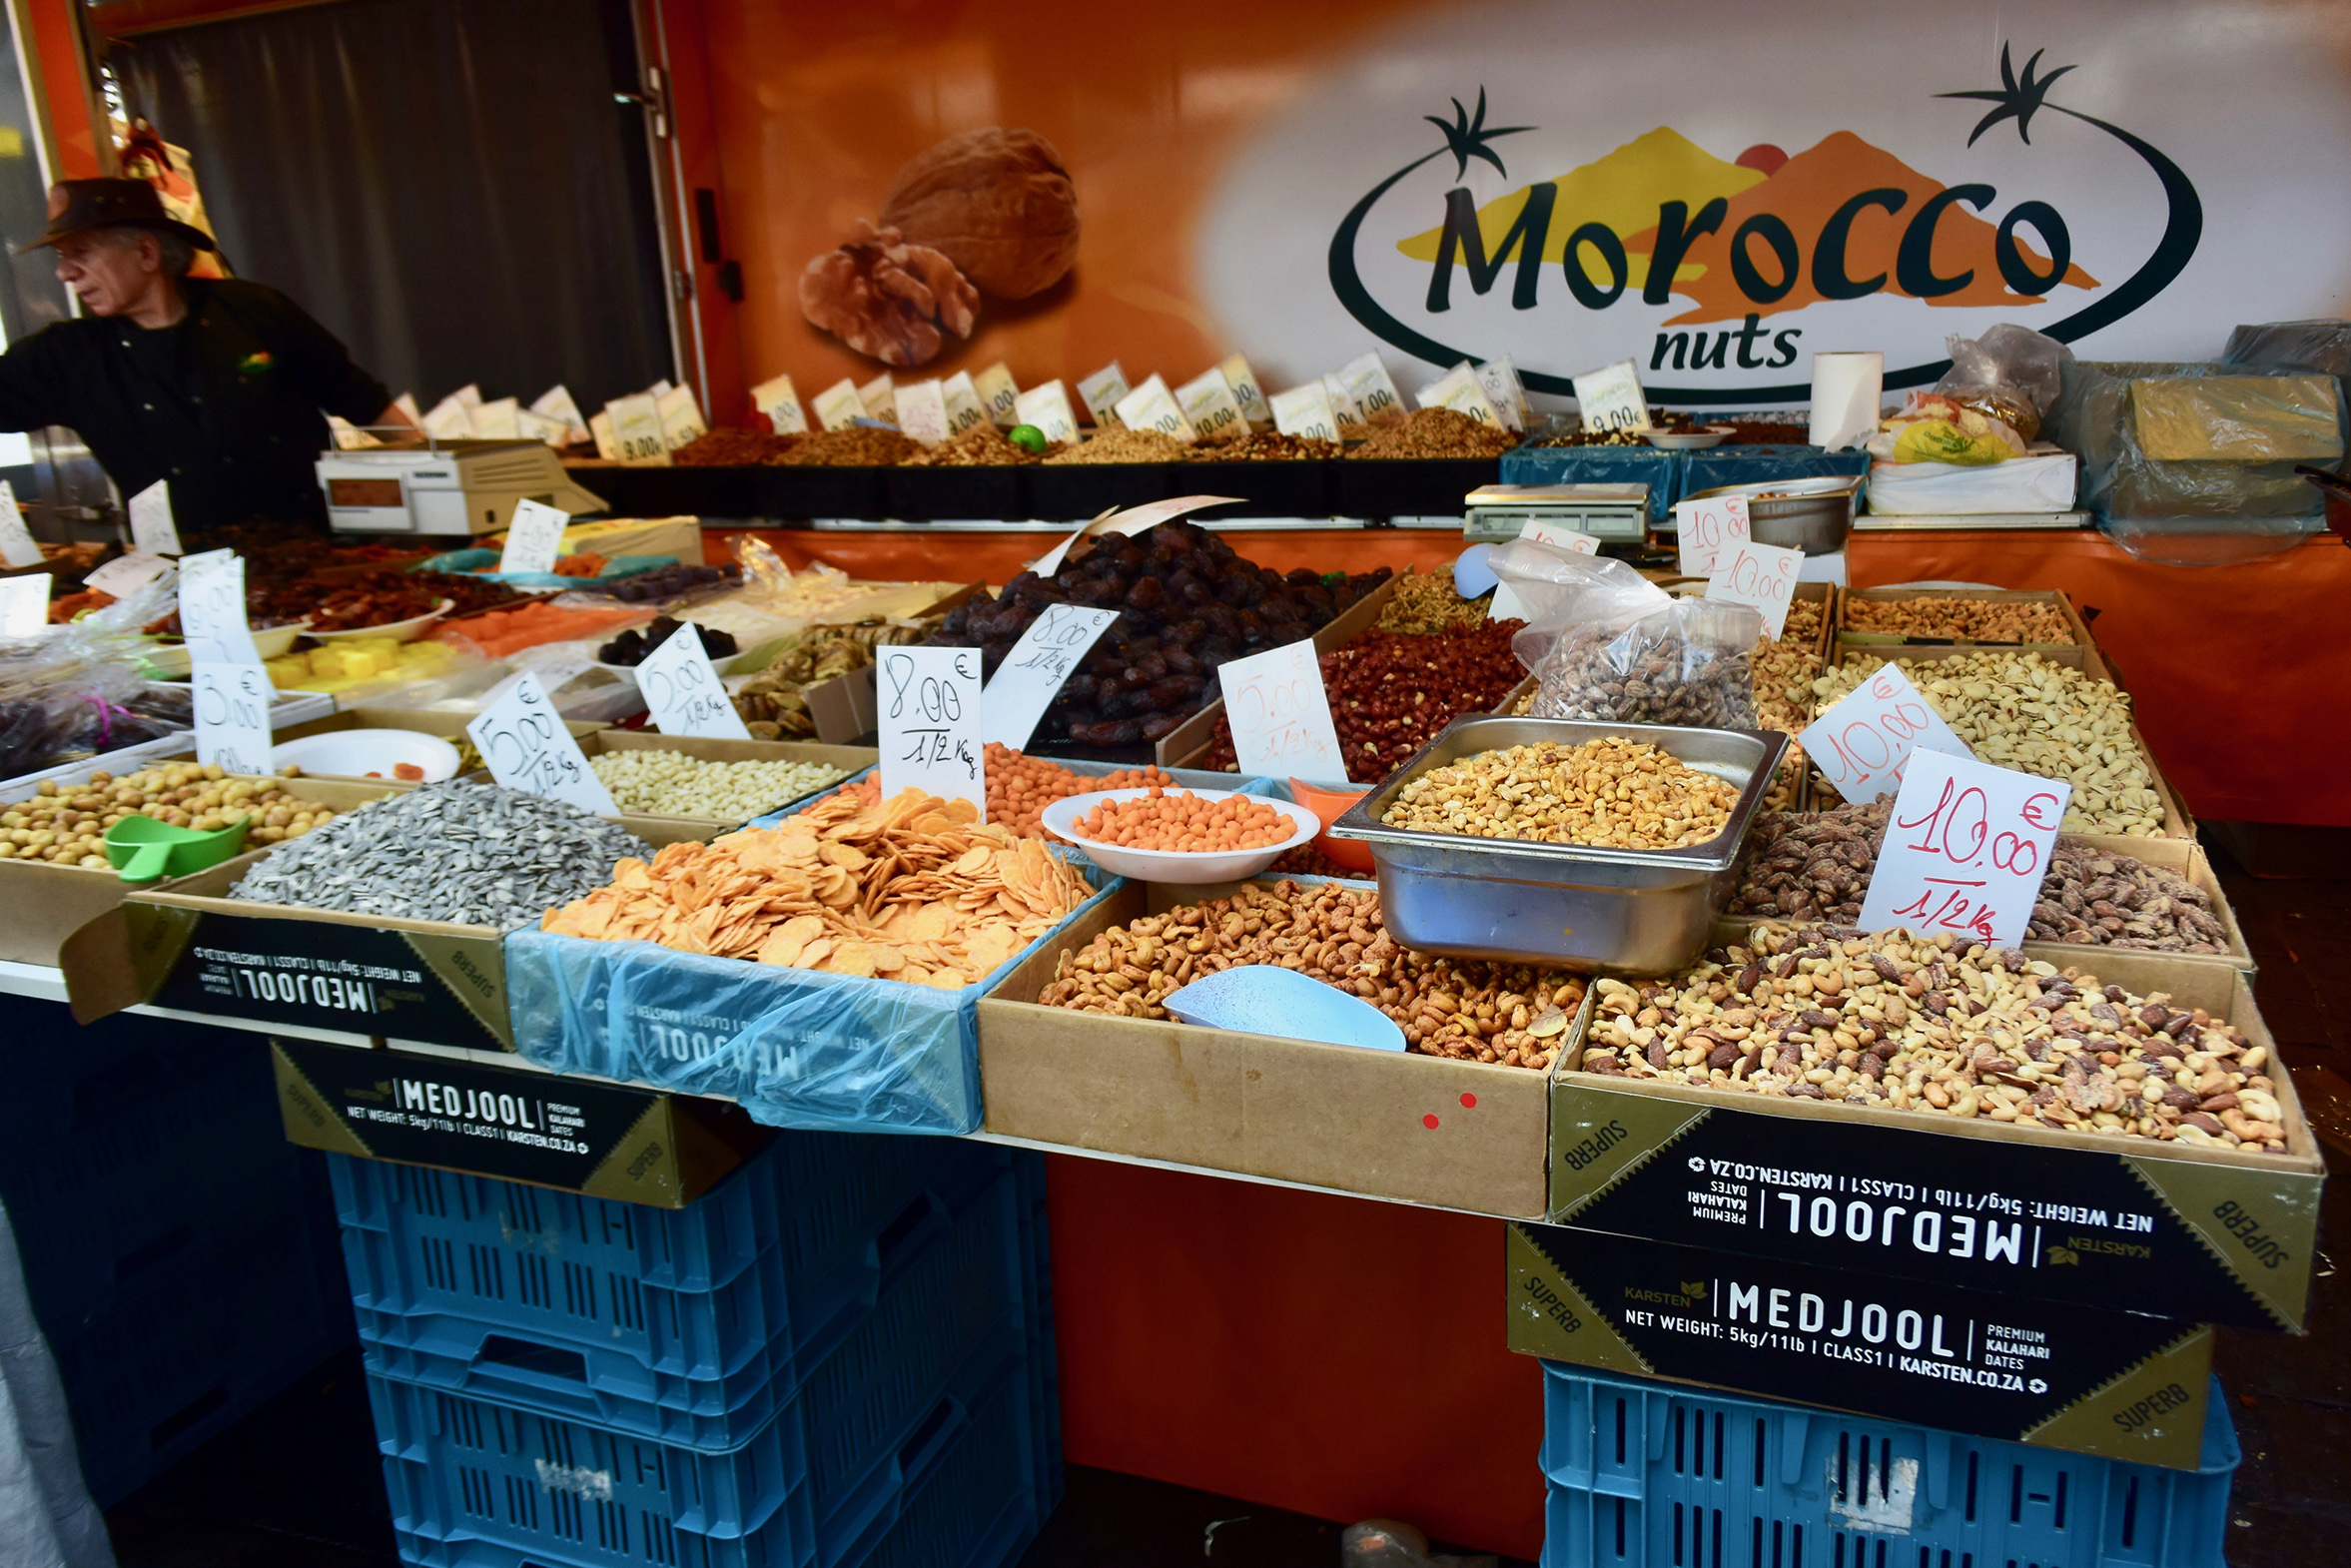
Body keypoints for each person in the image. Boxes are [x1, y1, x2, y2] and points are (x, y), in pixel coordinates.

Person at [0, 178, 414, 539]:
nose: (64, 273)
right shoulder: (65, 356)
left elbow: (364, 402)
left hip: (319, 558)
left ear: (146, 253)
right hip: (186, 579)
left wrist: (438, 494)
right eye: (61, 257)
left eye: (81, 252)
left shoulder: (256, 311)